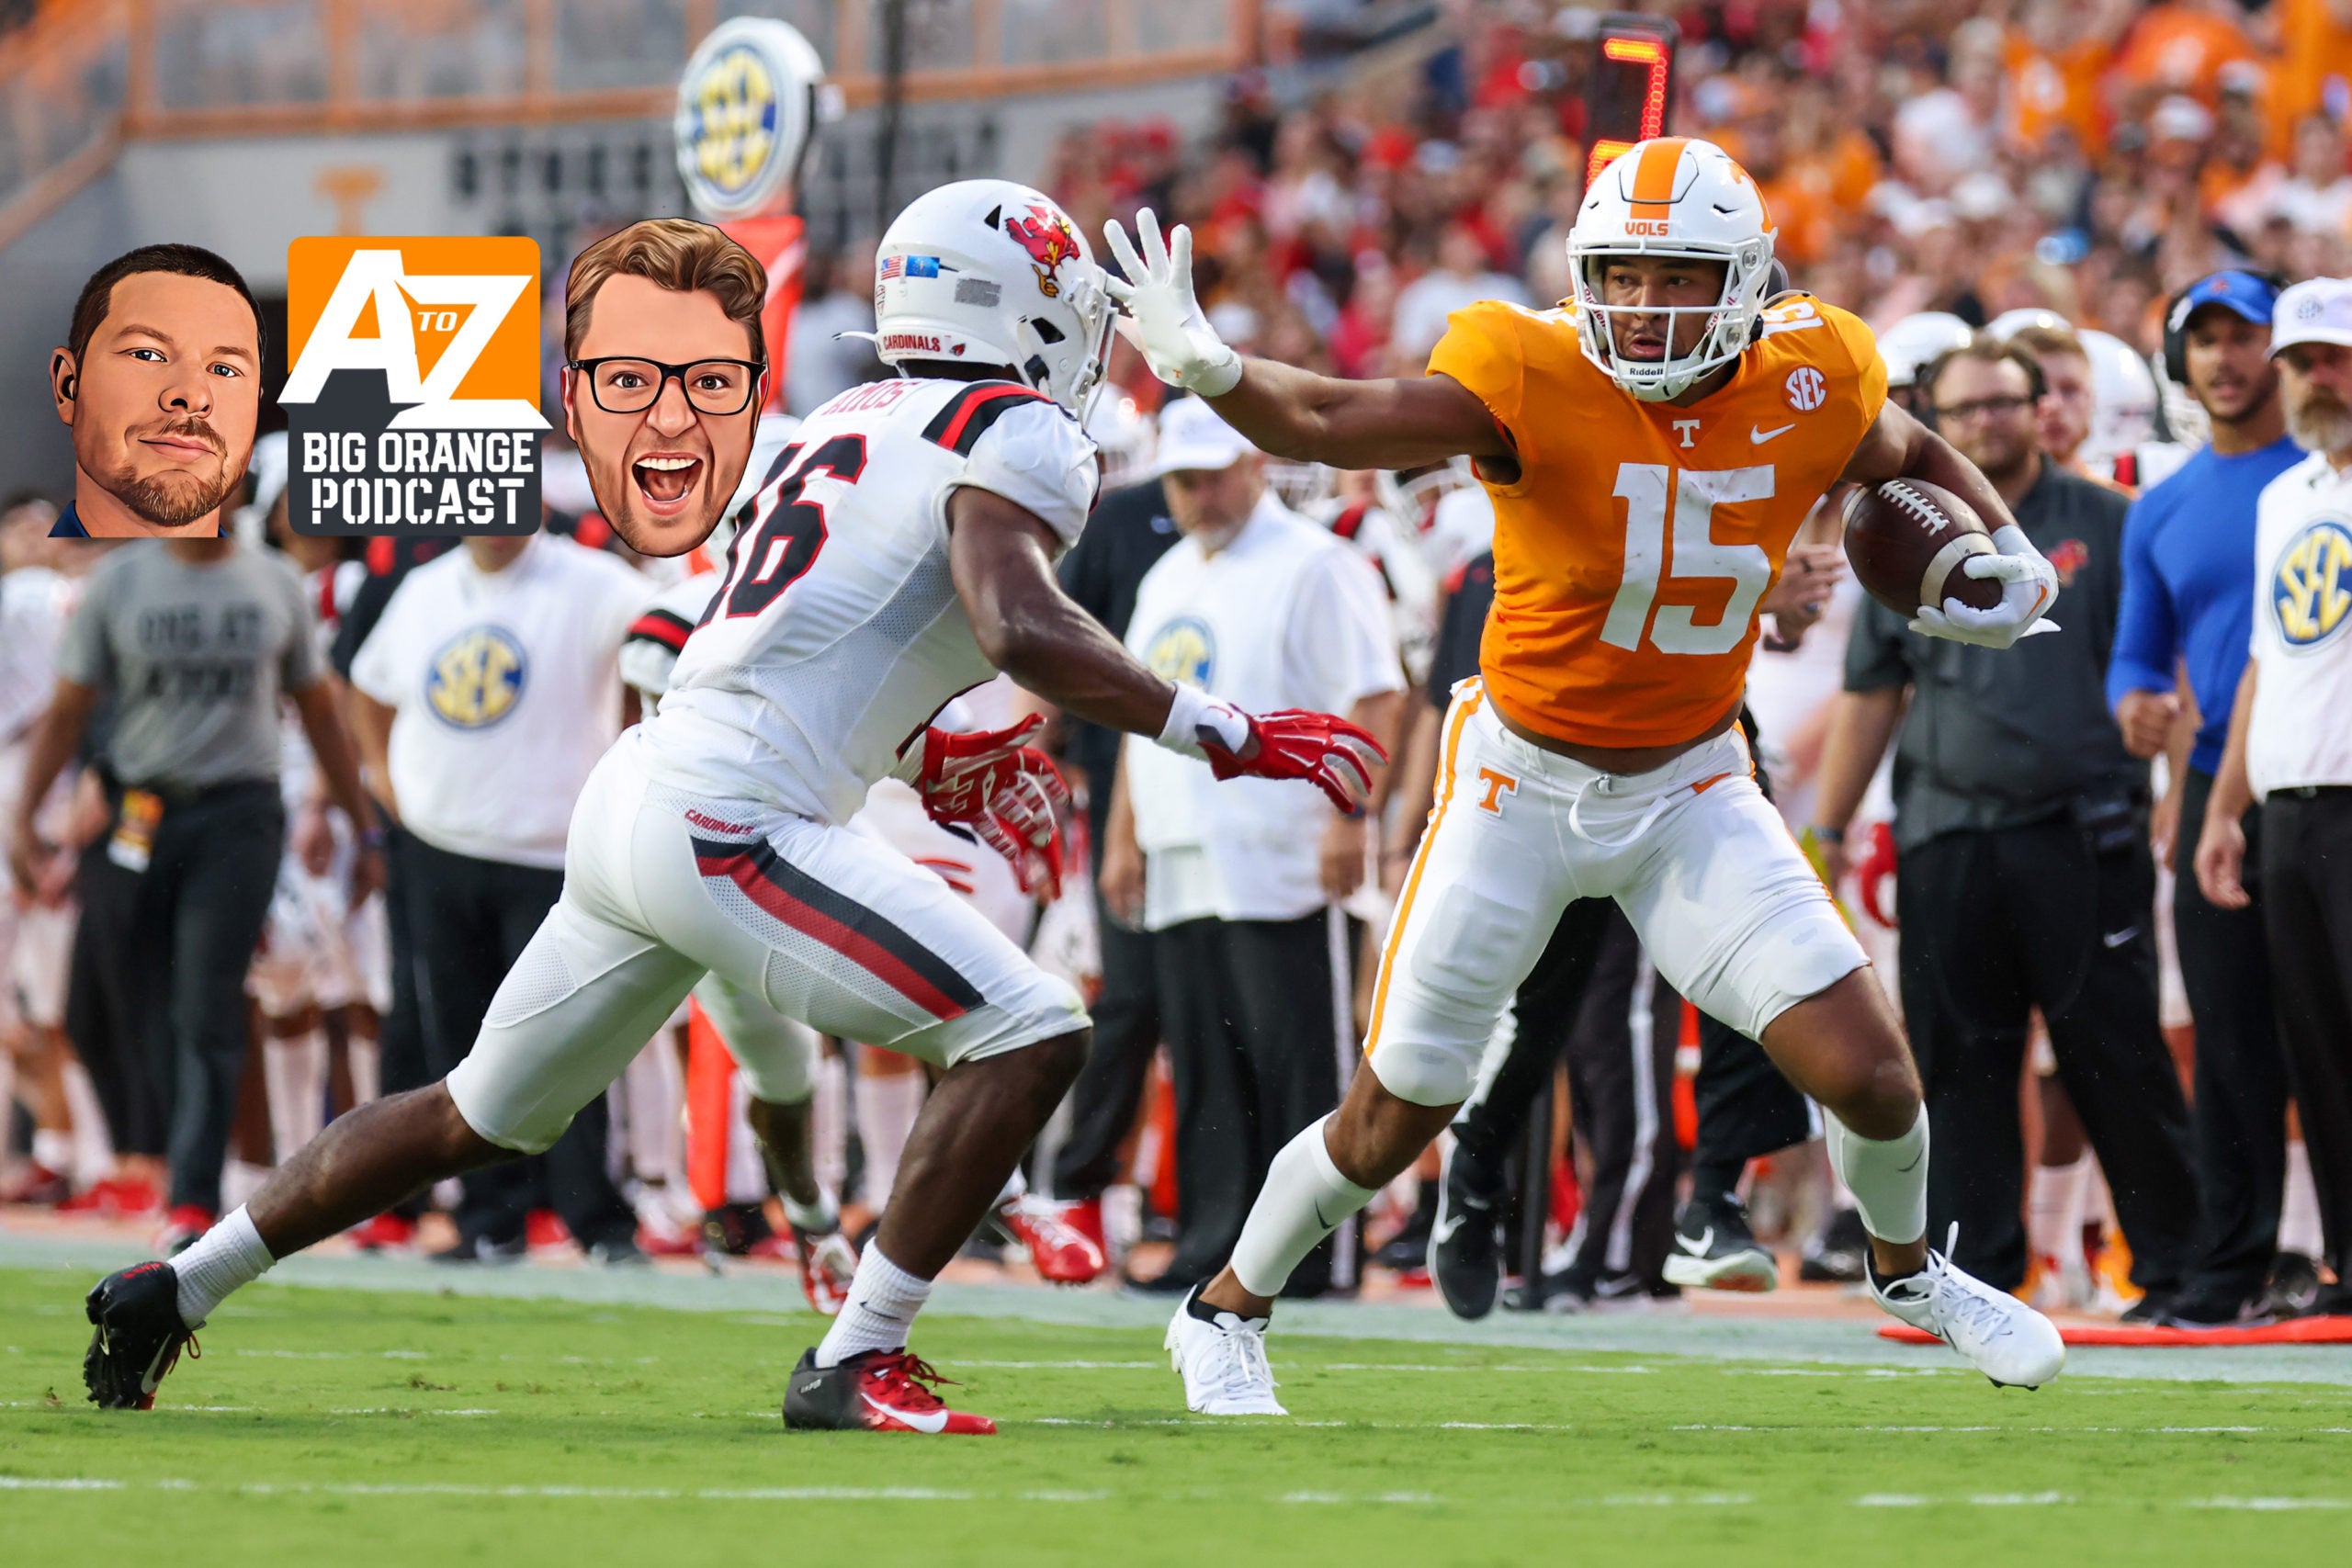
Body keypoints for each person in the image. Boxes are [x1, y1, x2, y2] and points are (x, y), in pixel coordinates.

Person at [83, 181, 1381, 1435]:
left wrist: (933, 761)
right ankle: (857, 1354)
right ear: (1019, 311)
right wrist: (1223, 727)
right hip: (735, 812)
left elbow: (812, 638)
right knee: (1031, 1029)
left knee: (472, 1110)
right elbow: (1016, 620)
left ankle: (178, 1279)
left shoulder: (835, 421)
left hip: (648, 788)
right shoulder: (1020, 431)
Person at [1106, 134, 2067, 1414]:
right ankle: (1224, 1307)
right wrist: (1213, 368)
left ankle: (1908, 1275)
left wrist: (2000, 557)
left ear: (1743, 283)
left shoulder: (1811, 371)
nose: (1644, 305)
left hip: (1689, 784)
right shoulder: (1529, 368)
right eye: (1620, 274)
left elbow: (1906, 453)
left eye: (1677, 277)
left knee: (1874, 1074)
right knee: (1396, 1112)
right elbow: (1334, 415)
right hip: (1516, 782)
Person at [1813, 337, 2201, 1309]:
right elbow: (1870, 690)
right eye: (1965, 408)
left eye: (2004, 402)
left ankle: (2174, 1266)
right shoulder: (1898, 524)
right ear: (1936, 420)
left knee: (2114, 1055)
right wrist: (1822, 830)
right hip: (1945, 829)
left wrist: (2180, 793)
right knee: (1956, 1067)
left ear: (2041, 408)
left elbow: (2170, 668)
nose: (1987, 421)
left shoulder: (2108, 522)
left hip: (2083, 825)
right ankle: (1972, 1276)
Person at [1104, 396, 1404, 1297]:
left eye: (1209, 476)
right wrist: (1124, 835)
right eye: (1181, 481)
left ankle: (1313, 1255)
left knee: (1296, 1059)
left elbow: (1375, 695)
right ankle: (1212, 1248)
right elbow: (1135, 717)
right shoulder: (1164, 576)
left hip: (1283, 847)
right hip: (1182, 842)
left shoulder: (1318, 563)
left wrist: (1350, 818)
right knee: (1203, 1067)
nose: (1196, 496)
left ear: (1253, 466)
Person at [8, 530, 379, 1252]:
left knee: (207, 999)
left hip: (238, 813)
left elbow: (320, 708)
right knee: (104, 1000)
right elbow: (68, 706)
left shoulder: (273, 582)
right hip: (139, 809)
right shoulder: (117, 583)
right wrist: (26, 816)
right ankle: (155, 1151)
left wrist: (360, 825)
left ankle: (193, 1195)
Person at [346, 529, 654, 1264]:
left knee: (571, 1036)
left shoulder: (598, 582)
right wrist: (388, 788)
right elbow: (367, 688)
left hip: (556, 850)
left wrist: (634, 758)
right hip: (440, 844)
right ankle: (490, 1219)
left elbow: (670, 647)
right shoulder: (424, 588)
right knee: (461, 1042)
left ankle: (597, 1222)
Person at [2107, 268, 2307, 1326]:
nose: (2225, 362)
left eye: (2245, 339)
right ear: (2178, 362)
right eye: (2205, 341)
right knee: (2228, 1043)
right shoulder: (2167, 505)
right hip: (2211, 787)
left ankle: (2315, 1261)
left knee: (2326, 1034)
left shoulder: (2327, 477)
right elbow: (2136, 652)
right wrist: (2134, 703)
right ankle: (2227, 1269)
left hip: (2321, 773)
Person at [2194, 276, 2352, 1317]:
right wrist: (2221, 809)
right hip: (2289, 802)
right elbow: (2262, 660)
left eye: (2332, 358)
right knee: (2319, 1053)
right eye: (2300, 362)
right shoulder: (2282, 498)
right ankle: (2343, 1260)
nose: (2313, 379)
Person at [44, 245, 266, 541]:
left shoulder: (280, 586)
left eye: (225, 370)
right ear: (67, 386)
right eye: (147, 354)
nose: (194, 397)